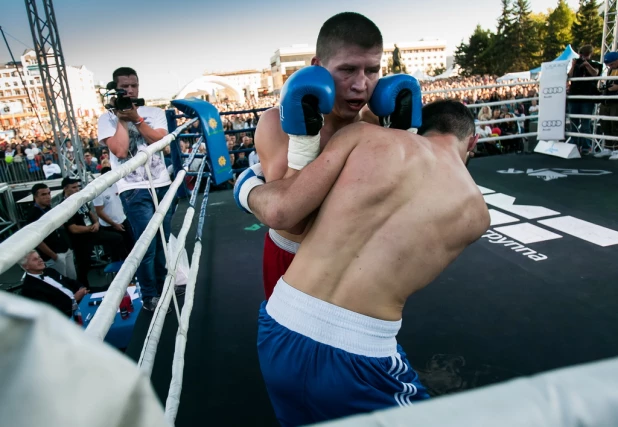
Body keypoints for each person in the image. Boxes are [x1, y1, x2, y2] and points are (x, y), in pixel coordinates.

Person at [244, 97, 490, 426]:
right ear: (472, 141)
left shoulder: (361, 135)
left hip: (278, 324)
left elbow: (281, 210)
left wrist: (246, 186)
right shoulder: (477, 213)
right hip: (357, 352)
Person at [248, 12, 383, 300]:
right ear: (317, 68)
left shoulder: (379, 123)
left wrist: (407, 131)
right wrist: (305, 143)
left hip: (356, 257)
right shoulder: (278, 124)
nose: (361, 84)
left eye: (372, 70)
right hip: (292, 257)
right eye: (347, 70)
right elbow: (292, 220)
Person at [97, 67, 181, 312]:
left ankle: (164, 285)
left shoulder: (153, 112)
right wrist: (122, 118)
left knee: (163, 241)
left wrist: (136, 118)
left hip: (161, 184)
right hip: (133, 188)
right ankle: (149, 295)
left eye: (134, 85)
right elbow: (121, 151)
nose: (130, 90)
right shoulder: (106, 119)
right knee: (147, 245)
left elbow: (160, 141)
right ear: (115, 89)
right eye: (124, 87)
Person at [26, 183, 77, 280]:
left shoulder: (49, 208)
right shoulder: (33, 215)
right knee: (62, 283)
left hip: (65, 249)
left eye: (48, 193)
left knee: (73, 278)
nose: (48, 197)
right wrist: (53, 255)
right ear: (35, 196)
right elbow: (37, 240)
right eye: (43, 195)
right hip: (54, 254)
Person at [19, 250, 89, 319]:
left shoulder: (50, 271)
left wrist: (81, 288)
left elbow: (70, 281)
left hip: (82, 299)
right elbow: (51, 311)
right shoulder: (29, 289)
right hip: (68, 314)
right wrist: (74, 299)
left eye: (39, 257)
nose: (40, 260)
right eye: (35, 259)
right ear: (26, 266)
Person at [567, 45, 602, 154]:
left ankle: (586, 146)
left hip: (587, 96)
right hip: (575, 96)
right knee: (573, 122)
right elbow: (569, 76)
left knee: (586, 123)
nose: (583, 57)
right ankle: (574, 144)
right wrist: (573, 66)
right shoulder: (575, 64)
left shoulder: (595, 64)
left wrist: (588, 65)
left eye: (585, 55)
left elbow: (595, 74)